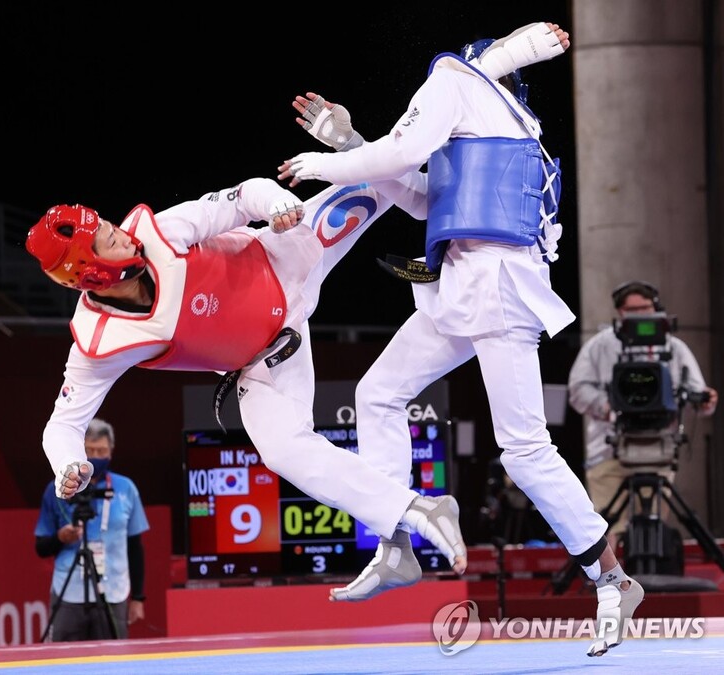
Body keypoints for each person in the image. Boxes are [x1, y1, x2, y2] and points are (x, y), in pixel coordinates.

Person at [278, 21, 643, 657]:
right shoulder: (510, 127)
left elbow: (397, 155)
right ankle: (397, 541)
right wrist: (352, 139)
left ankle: (611, 579)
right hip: (464, 285)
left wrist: (328, 160)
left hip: (495, 286)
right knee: (380, 394)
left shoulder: (453, 77)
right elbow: (422, 198)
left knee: (524, 450)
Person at [24, 175, 471, 592]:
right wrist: (67, 464)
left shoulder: (161, 231)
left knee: (379, 175)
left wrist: (276, 202)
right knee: (282, 452)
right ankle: (416, 512)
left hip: (287, 255)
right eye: (108, 239)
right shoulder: (101, 343)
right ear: (93, 273)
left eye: (108, 224)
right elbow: (60, 427)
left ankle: (476, 195)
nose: (122, 234)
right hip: (266, 362)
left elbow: (244, 196)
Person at [567, 280, 718, 552]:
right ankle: (612, 583)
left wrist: (705, 399)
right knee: (607, 527)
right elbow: (577, 389)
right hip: (608, 450)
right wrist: (607, 407)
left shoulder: (675, 347)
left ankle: (650, 579)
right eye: (631, 309)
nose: (639, 314)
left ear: (656, 307)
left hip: (658, 448)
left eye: (645, 307)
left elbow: (697, 394)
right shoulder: (599, 346)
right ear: (620, 312)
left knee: (652, 523)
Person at [34, 418, 149, 641]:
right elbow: (40, 547)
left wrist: (138, 597)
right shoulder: (59, 487)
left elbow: (135, 546)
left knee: (114, 663)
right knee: (64, 662)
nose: (96, 456)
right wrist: (60, 537)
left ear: (111, 452)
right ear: (80, 450)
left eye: (101, 450)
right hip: (69, 593)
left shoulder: (126, 488)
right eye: (90, 450)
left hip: (113, 591)